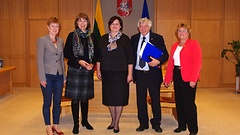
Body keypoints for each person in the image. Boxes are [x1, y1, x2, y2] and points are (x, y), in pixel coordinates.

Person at [131, 17, 169, 133]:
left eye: (146, 26)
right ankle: (143, 123)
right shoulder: (134, 38)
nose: (143, 29)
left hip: (153, 74)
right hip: (140, 74)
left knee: (155, 99)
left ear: (150, 27)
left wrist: (158, 61)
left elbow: (165, 55)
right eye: (141, 26)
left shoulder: (157, 38)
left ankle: (156, 123)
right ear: (138, 27)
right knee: (140, 100)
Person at [96, 16, 133, 133]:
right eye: (112, 24)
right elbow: (99, 57)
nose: (115, 26)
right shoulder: (102, 39)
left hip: (121, 74)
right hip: (107, 73)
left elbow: (130, 59)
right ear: (109, 25)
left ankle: (116, 123)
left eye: (117, 24)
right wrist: (98, 70)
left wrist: (130, 74)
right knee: (110, 98)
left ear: (120, 26)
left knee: (119, 99)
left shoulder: (125, 39)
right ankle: (113, 120)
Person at [163, 23, 202, 135]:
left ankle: (193, 129)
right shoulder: (175, 46)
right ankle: (182, 125)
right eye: (179, 31)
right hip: (177, 75)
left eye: (184, 31)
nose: (181, 33)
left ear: (188, 33)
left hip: (189, 76)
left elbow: (197, 63)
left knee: (189, 103)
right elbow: (171, 63)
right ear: (177, 33)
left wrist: (193, 79)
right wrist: (167, 78)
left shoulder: (194, 44)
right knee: (179, 101)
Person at [63, 13, 98, 134]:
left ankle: (85, 121)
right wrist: (79, 61)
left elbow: (97, 53)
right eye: (80, 21)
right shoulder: (71, 36)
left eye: (84, 21)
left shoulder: (92, 36)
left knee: (85, 98)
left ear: (88, 23)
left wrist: (92, 64)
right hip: (75, 69)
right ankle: (76, 123)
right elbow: (66, 53)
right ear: (76, 23)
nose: (82, 23)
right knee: (75, 99)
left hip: (88, 70)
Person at [37, 17, 66, 135]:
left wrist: (64, 76)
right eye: (52, 26)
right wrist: (42, 78)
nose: (55, 28)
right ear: (48, 27)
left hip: (59, 75)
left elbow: (61, 59)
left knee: (57, 101)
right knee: (47, 102)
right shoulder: (42, 40)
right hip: (47, 75)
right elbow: (39, 60)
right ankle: (48, 126)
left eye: (57, 26)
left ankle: (56, 125)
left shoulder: (61, 41)